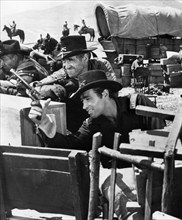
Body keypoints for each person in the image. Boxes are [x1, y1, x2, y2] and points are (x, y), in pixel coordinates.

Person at [28, 69, 166, 218]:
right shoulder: (92, 123)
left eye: (88, 99)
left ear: (105, 94)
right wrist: (49, 131)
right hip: (119, 182)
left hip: (154, 174)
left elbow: (163, 140)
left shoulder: (138, 104)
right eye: (82, 101)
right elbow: (73, 145)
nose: (84, 106)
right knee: (130, 210)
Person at [32, 35, 116, 132]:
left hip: (103, 119)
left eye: (70, 60)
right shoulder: (63, 73)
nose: (66, 65)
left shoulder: (100, 65)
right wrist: (49, 89)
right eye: (64, 60)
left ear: (84, 58)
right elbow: (34, 87)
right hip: (76, 127)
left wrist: (79, 85)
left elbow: (112, 92)